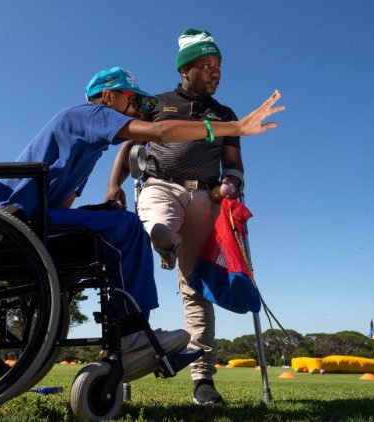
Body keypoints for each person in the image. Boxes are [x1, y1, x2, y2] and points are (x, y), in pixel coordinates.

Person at [0, 66, 283, 381]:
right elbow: (159, 132)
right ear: (109, 95)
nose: (138, 110)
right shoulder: (91, 114)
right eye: (134, 102)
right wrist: (232, 127)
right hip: (17, 217)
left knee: (117, 222)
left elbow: (62, 207)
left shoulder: (88, 144)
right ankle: (130, 335)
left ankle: (128, 330)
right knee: (128, 228)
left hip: (33, 218)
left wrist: (103, 208)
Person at [105, 28, 257, 404]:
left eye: (219, 65)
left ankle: (202, 378)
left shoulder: (226, 115)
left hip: (206, 195)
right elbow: (128, 146)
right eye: (206, 65)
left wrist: (232, 184)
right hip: (161, 186)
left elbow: (233, 163)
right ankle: (164, 243)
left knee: (196, 288)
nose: (215, 72)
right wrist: (113, 187)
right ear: (185, 69)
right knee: (157, 228)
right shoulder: (157, 102)